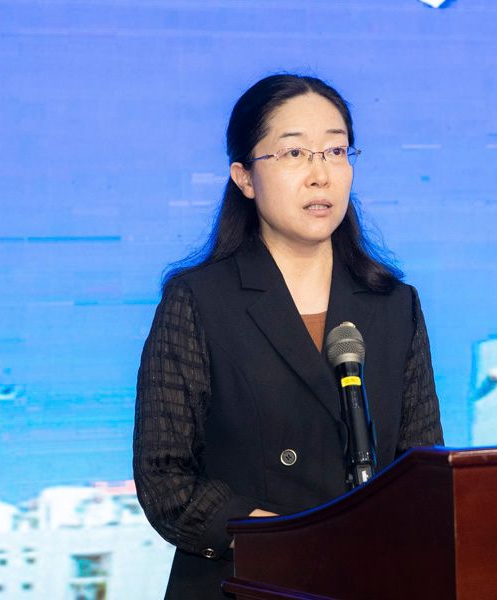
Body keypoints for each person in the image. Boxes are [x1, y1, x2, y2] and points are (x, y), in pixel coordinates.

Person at [133, 74, 444, 599]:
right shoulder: (199, 301)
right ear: (245, 178)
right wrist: (284, 540)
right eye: (294, 153)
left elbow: (421, 474)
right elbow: (165, 478)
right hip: (245, 582)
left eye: (336, 151)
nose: (320, 175)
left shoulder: (394, 305)